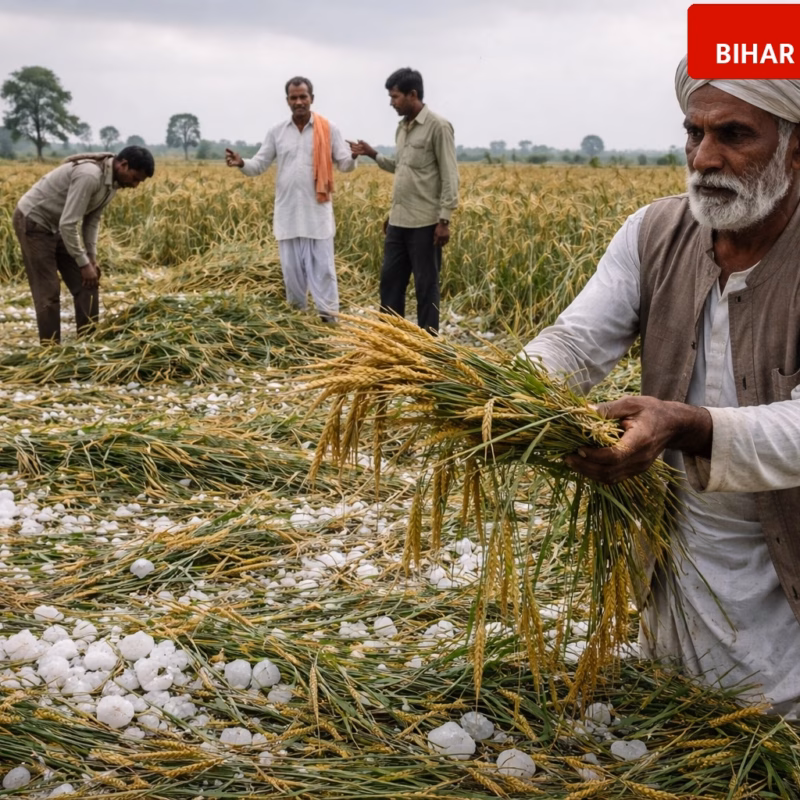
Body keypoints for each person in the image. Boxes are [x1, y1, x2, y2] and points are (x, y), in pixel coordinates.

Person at [521, 57, 800, 715]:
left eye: (734, 135)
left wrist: (690, 425)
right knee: (689, 719)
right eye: (693, 133)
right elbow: (574, 343)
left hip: (787, 568)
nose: (704, 157)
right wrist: (507, 398)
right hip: (687, 561)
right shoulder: (653, 233)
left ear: (796, 149)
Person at [225, 77, 356, 322]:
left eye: (303, 97)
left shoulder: (328, 129)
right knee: (292, 275)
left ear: (312, 99)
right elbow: (259, 164)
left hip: (317, 215)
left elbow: (345, 164)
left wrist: (355, 156)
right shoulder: (277, 132)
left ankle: (329, 323)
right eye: (293, 98)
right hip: (287, 215)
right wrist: (242, 163)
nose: (298, 102)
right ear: (287, 101)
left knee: (324, 273)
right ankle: (298, 325)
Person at [349, 67, 459, 334]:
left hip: (426, 223)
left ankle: (427, 344)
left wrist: (444, 220)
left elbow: (449, 175)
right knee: (390, 282)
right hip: (398, 221)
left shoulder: (438, 127)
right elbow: (402, 168)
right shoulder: (402, 129)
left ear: (413, 94)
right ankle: (390, 339)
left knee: (426, 285)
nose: (391, 103)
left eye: (395, 97)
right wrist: (373, 154)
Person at [13, 146, 154, 344]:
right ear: (124, 165)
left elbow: (92, 220)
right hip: (34, 222)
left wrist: (91, 259)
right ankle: (50, 351)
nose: (136, 185)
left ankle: (88, 345)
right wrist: (83, 263)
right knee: (49, 291)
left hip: (59, 224)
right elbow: (69, 223)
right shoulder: (90, 176)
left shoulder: (113, 182)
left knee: (88, 281)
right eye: (136, 178)